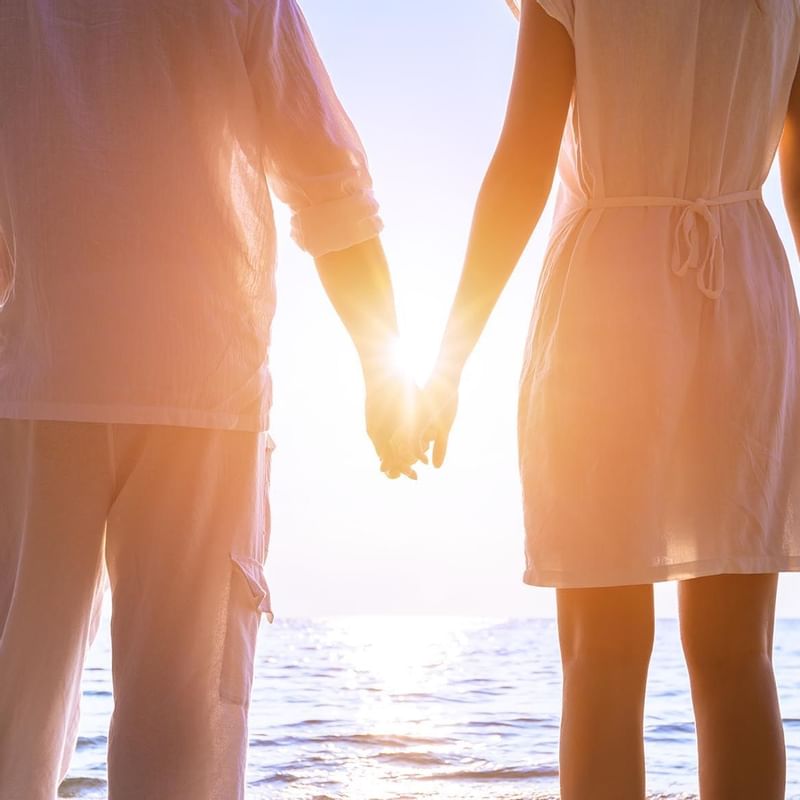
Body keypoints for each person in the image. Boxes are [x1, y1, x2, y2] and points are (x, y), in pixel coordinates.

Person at [0, 1, 417, 798]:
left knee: (9, 725)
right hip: (198, 391)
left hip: (45, 382)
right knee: (180, 752)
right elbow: (328, 183)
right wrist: (382, 368)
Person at [421, 1, 800, 798]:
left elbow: (524, 159)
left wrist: (448, 361)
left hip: (606, 301)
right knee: (739, 658)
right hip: (746, 292)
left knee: (602, 653)